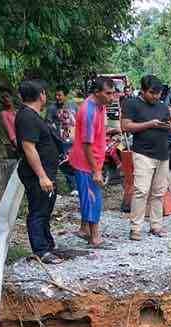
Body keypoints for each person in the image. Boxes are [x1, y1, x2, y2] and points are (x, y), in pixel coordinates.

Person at [121, 74, 171, 241]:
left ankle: (156, 225)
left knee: (159, 192)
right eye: (152, 93)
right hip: (143, 153)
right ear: (143, 91)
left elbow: (170, 125)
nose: (156, 96)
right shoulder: (132, 104)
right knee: (141, 191)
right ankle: (135, 228)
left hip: (163, 154)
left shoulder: (163, 107)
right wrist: (150, 124)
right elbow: (125, 126)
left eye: (158, 93)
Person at [14, 80, 61, 264]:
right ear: (41, 94)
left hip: (45, 173)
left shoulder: (32, 115)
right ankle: (41, 250)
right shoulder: (27, 117)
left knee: (45, 209)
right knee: (38, 211)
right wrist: (41, 176)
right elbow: (29, 147)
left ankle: (47, 244)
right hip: (36, 175)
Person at [68, 77, 115, 248]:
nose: (112, 97)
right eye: (108, 93)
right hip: (86, 163)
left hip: (92, 160)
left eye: (113, 93)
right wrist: (96, 171)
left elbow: (95, 132)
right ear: (97, 92)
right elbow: (87, 144)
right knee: (93, 198)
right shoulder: (89, 110)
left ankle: (84, 229)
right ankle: (95, 237)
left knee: (87, 196)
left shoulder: (100, 106)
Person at [46, 88, 78, 195]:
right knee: (62, 163)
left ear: (65, 95)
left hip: (73, 139)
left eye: (60, 95)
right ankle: (58, 190)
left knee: (73, 162)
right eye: (56, 95)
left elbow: (78, 120)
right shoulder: (52, 108)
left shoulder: (73, 105)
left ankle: (75, 187)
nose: (57, 97)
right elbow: (48, 124)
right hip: (59, 141)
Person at [0, 91, 18, 158]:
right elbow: (10, 132)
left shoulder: (16, 112)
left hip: (21, 143)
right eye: (3, 98)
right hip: (12, 145)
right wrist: (17, 145)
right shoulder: (4, 114)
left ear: (11, 98)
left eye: (7, 96)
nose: (6, 99)